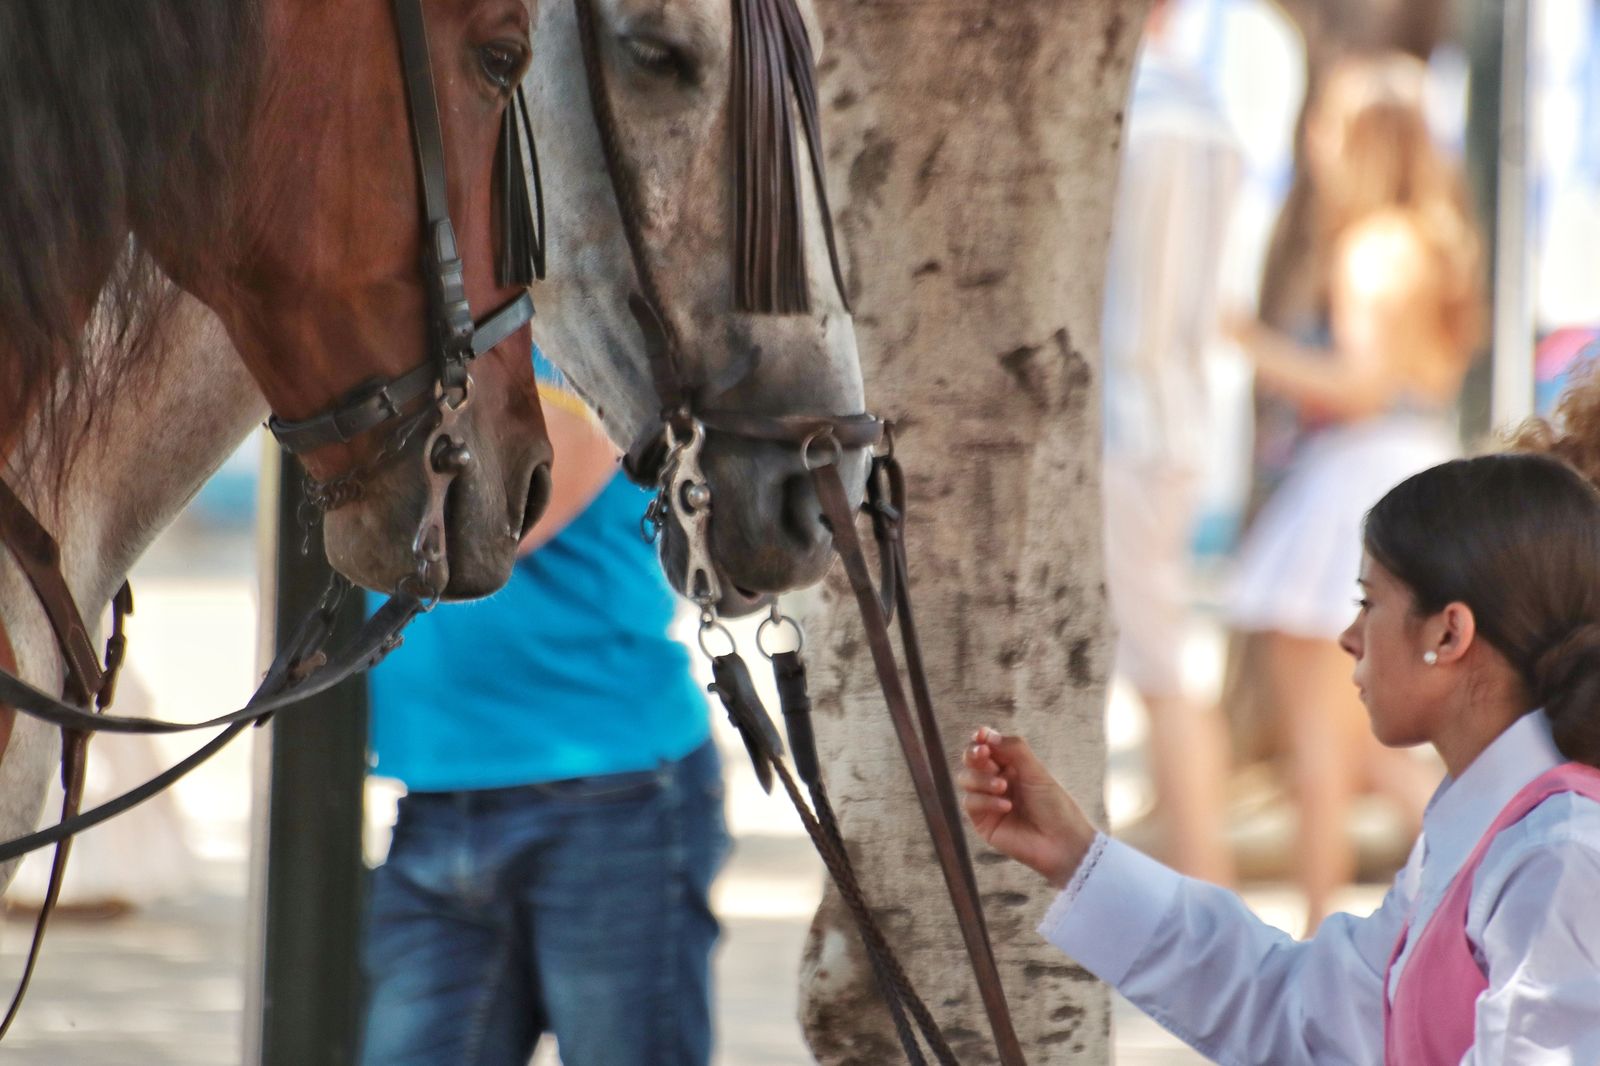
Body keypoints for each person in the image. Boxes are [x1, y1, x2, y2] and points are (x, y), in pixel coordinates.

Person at [958, 380, 1600, 1063]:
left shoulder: (1558, 854)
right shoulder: (1492, 825)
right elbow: (1306, 1012)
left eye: (1368, 602)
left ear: (1448, 634)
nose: (1349, 637)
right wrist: (1079, 859)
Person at [358, 350, 729, 1066]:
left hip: (614, 802)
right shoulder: (407, 337)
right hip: (438, 797)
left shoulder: (581, 348)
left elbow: (482, 530)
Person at [1220, 52, 1485, 929]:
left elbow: (1361, 383)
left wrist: (1247, 341)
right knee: (1370, 744)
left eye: (1331, 127)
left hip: (1354, 480)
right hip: (1410, 464)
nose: (1315, 143)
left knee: (1324, 745)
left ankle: (1320, 926)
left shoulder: (1372, 251)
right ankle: (1458, 881)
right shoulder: (1433, 246)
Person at [1099, 0, 1243, 883]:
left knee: (1159, 668)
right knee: (1160, 662)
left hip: (1125, 420)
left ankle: (1212, 888)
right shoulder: (1204, 105)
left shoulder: (1141, 111)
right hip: (1171, 416)